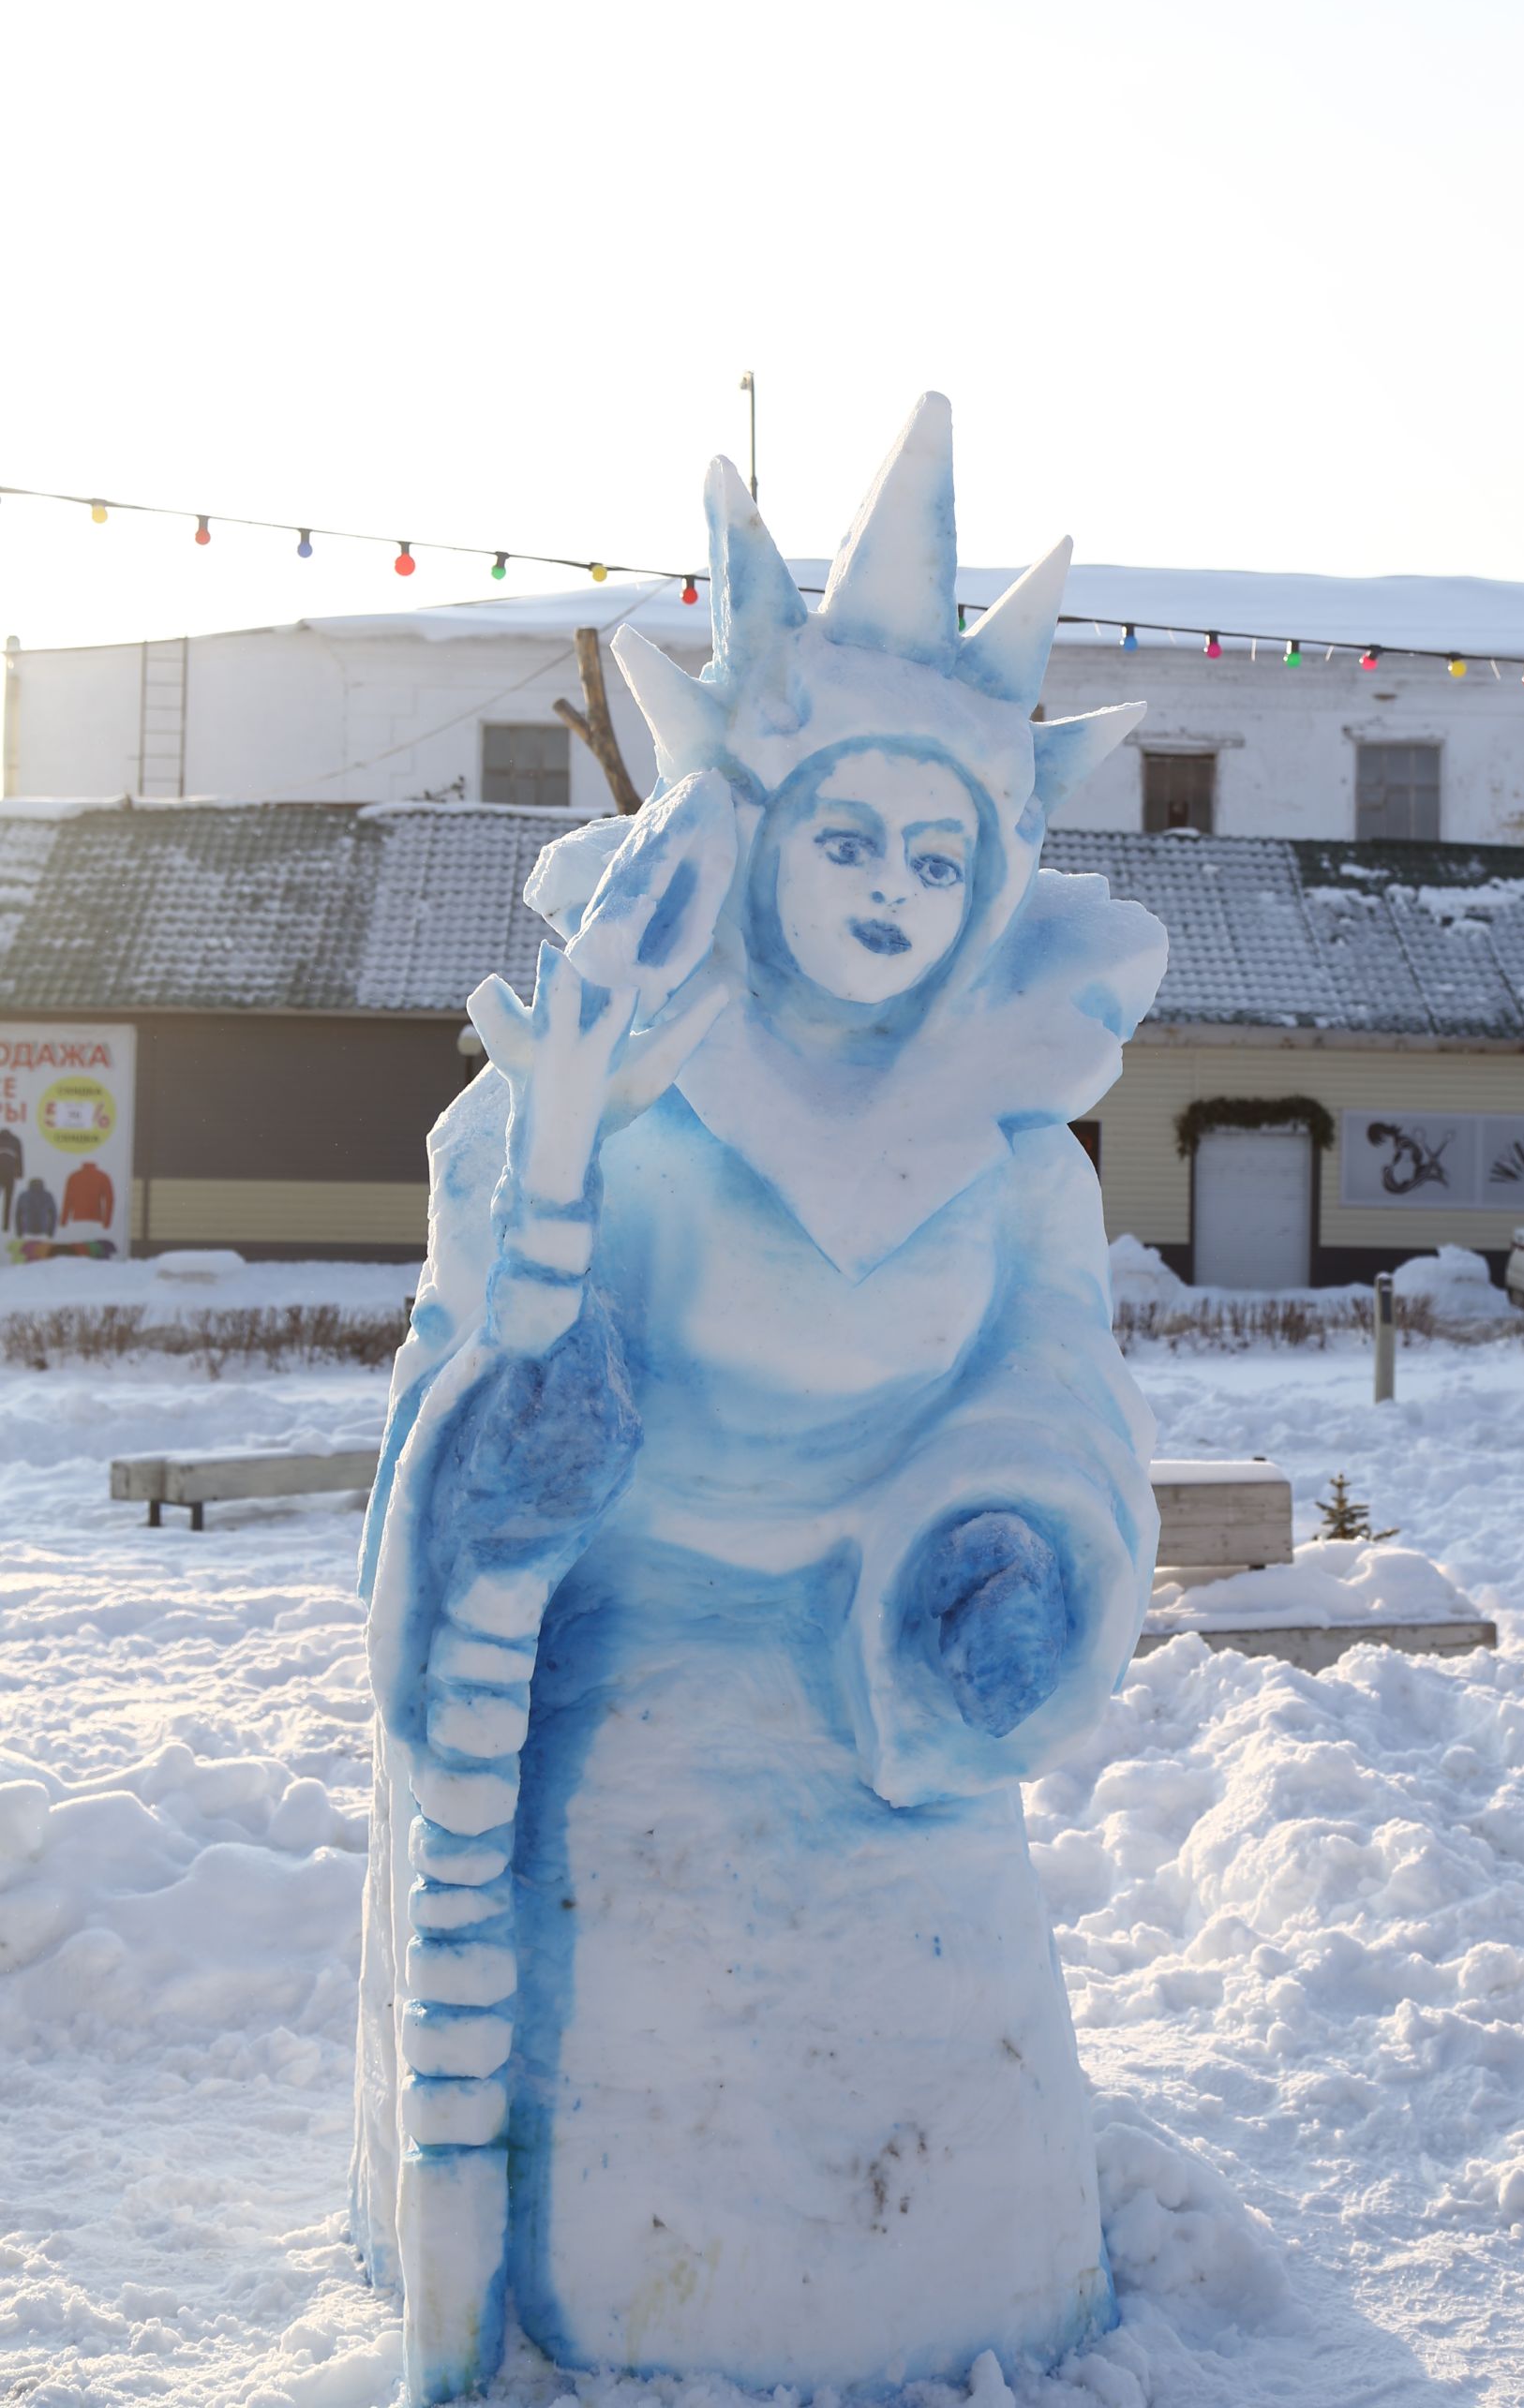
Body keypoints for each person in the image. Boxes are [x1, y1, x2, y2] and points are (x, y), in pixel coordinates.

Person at [351, 399, 1167, 2405]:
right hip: (642, 1704)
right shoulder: (605, 1100)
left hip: (889, 1699)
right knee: (662, 2085)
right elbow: (475, 1373)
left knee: (951, 2082)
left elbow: (1055, 1396)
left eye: (939, 850)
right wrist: (515, 1438)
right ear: (756, 829)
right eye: (846, 834)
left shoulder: (1011, 1154)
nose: (891, 885)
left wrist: (1014, 1551)